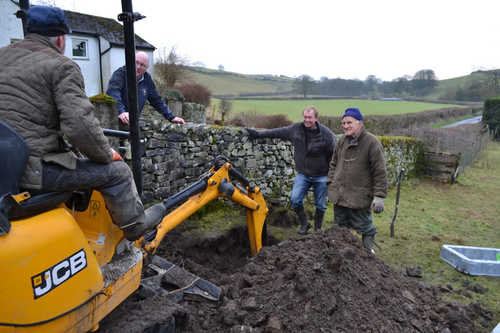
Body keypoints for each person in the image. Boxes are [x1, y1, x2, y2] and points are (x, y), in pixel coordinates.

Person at [0, 6, 165, 241]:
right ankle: (137, 228)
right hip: (31, 173)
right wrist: (106, 153)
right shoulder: (61, 66)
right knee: (118, 172)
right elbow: (80, 127)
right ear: (60, 38)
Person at [245, 106, 335, 234]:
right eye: (305, 117)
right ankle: (305, 223)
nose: (307, 120)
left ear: (316, 118)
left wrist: (330, 175)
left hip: (321, 175)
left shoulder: (326, 134)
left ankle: (317, 229)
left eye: (310, 117)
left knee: (320, 205)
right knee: (295, 200)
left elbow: (332, 156)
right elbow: (277, 132)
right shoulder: (296, 129)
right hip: (303, 174)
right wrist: (258, 134)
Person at [326, 108, 388, 252]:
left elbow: (379, 171)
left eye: (349, 122)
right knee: (340, 228)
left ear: (360, 123)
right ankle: (342, 256)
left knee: (366, 228)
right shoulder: (341, 141)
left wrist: (379, 196)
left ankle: (368, 256)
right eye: (343, 123)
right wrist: (331, 184)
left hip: (359, 197)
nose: (345, 126)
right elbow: (333, 164)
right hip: (339, 196)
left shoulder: (372, 143)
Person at [106, 51, 186, 127]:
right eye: (136, 62)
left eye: (142, 65)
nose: (138, 67)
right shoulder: (120, 74)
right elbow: (113, 92)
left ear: (147, 67)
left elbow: (156, 100)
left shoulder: (147, 79)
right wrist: (121, 112)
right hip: (114, 122)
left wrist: (171, 117)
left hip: (133, 124)